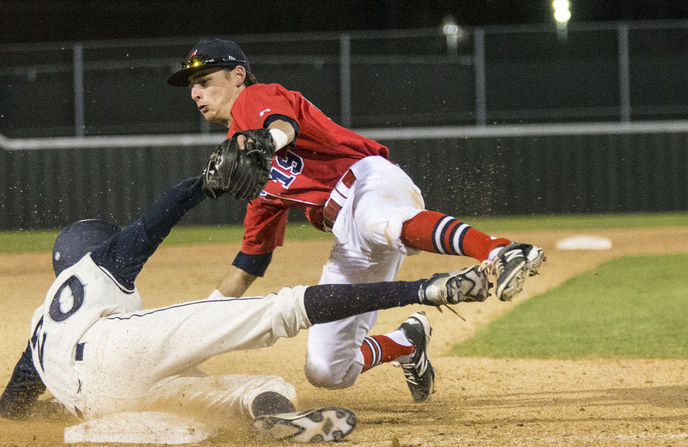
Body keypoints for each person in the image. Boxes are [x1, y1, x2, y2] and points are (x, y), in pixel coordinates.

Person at [165, 38, 546, 402]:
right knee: (327, 369)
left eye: (204, 81)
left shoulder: (257, 97)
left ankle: (501, 250)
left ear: (237, 75)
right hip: (348, 232)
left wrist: (266, 142)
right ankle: (407, 342)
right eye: (192, 87)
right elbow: (250, 262)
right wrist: (198, 329)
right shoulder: (249, 169)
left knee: (375, 220)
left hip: (366, 181)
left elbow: (283, 126)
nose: (196, 93)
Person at [0, 175, 491, 443]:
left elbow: (11, 407)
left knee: (252, 388)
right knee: (283, 309)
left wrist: (63, 403)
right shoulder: (98, 264)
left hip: (101, 403)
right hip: (117, 348)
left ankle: (272, 417)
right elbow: (152, 223)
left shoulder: (39, 324)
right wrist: (200, 185)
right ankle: (425, 290)